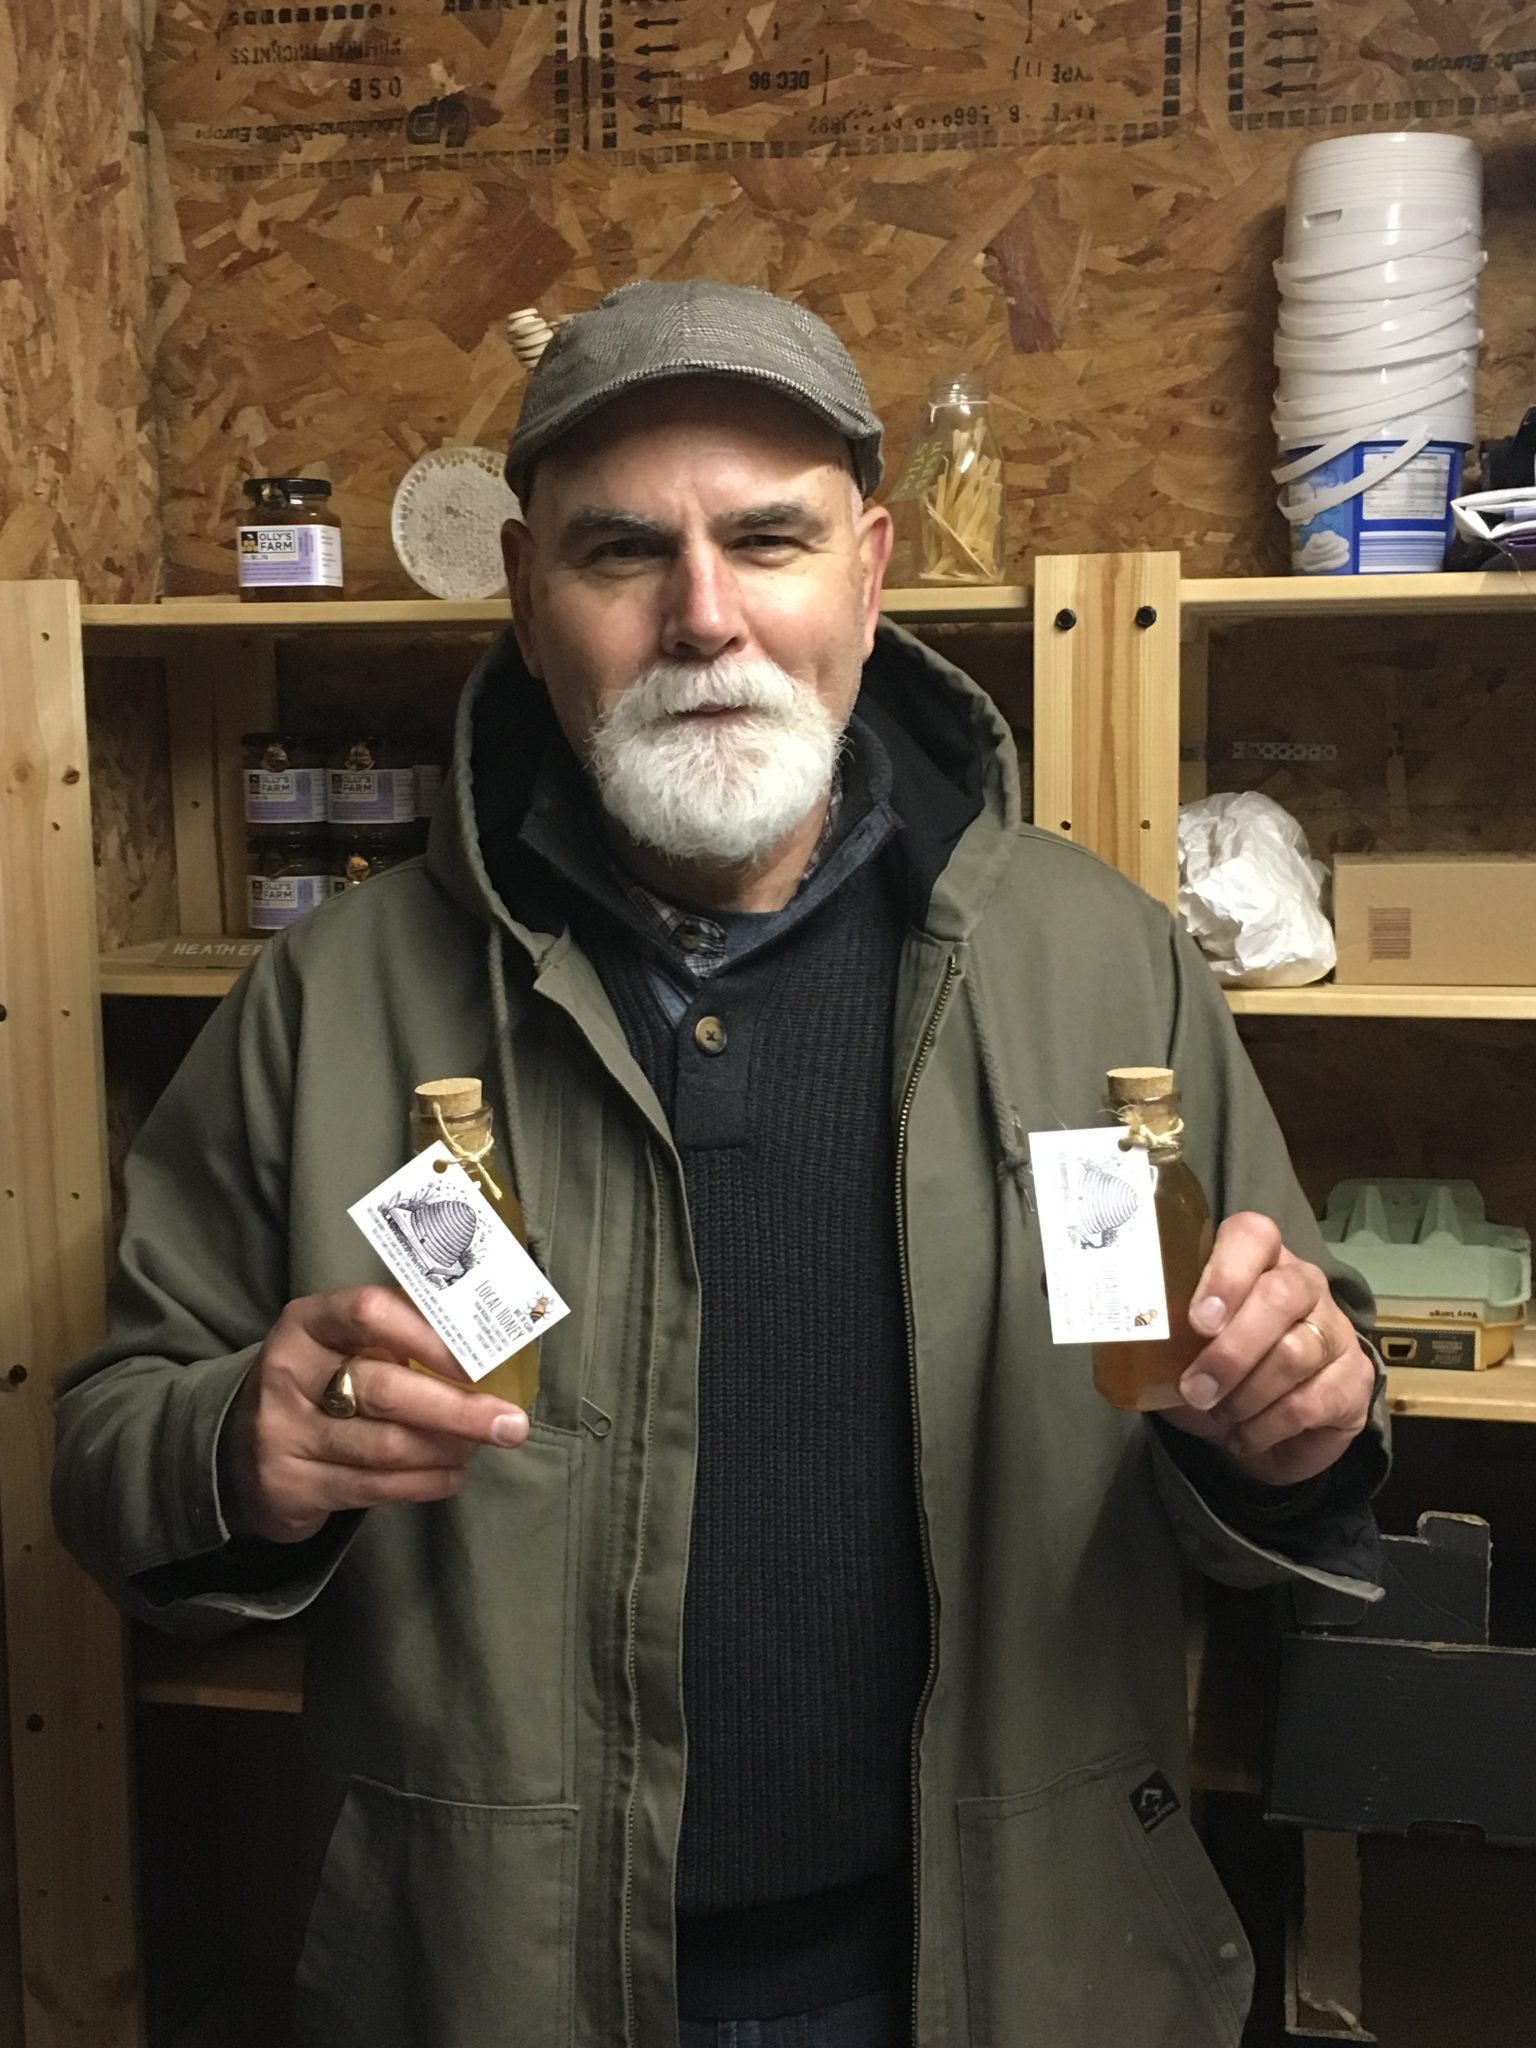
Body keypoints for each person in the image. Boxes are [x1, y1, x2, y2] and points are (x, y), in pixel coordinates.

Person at [55, 278, 1386, 2048]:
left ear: (870, 575)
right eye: (623, 552)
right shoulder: (336, 1003)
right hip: (496, 1986)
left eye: (769, 539)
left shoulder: (1100, 969)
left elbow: (1295, 1414)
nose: (703, 616)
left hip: (1019, 1975)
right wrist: (239, 1444)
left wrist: (1298, 1427)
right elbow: (108, 1453)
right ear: (528, 596)